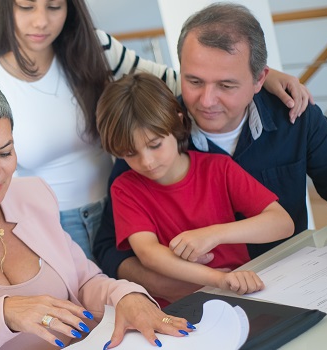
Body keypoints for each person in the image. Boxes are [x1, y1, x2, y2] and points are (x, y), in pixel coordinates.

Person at [0, 0, 312, 260]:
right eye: (26, 6)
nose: (41, 20)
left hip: (119, 207)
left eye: (55, 6)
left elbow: (181, 85)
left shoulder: (94, 47)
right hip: (49, 224)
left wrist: (267, 79)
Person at [0, 75, 194, 350]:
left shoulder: (35, 195)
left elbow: (84, 281)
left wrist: (126, 295)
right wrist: (3, 315)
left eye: (5, 152)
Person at [93, 3, 327, 304]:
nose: (206, 101)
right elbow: (108, 247)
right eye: (194, 81)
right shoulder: (152, 134)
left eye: (226, 85)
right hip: (200, 301)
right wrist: (170, 284)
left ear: (260, 80)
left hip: (294, 284)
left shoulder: (295, 116)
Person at [96, 73, 293, 307]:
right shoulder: (125, 189)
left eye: (155, 145)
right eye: (130, 153)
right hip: (178, 309)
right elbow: (148, 253)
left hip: (242, 296)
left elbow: (283, 223)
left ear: (178, 122)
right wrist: (219, 279)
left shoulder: (218, 169)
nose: (146, 162)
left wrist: (213, 234)